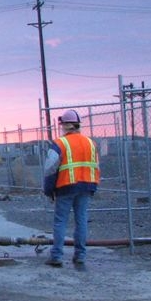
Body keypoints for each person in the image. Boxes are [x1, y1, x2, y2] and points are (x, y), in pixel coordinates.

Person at [42, 110, 100, 268]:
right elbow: (96, 166)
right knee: (81, 220)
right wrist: (93, 186)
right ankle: (80, 255)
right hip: (87, 186)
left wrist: (49, 189)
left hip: (66, 187)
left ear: (64, 126)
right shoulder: (90, 143)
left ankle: (57, 256)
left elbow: (50, 169)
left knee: (61, 221)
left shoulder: (60, 143)